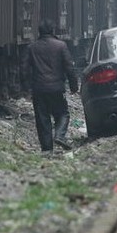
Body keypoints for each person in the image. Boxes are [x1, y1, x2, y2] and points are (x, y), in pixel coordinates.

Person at [21, 18, 79, 152]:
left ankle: (47, 150)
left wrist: (26, 88)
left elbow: (23, 69)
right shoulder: (61, 46)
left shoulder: (32, 47)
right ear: (53, 31)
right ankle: (59, 135)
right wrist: (73, 86)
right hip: (57, 88)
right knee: (63, 114)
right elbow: (69, 68)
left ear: (39, 32)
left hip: (39, 89)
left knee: (42, 119)